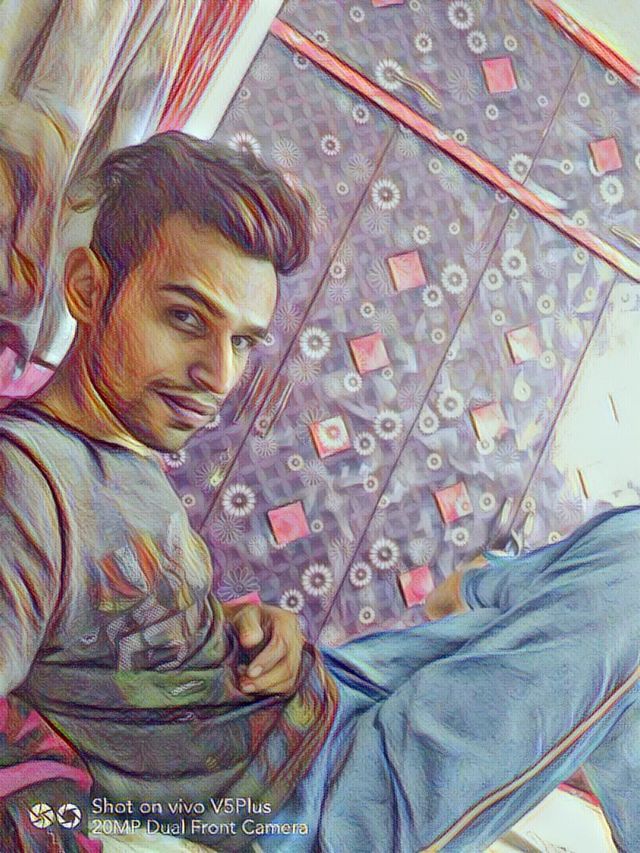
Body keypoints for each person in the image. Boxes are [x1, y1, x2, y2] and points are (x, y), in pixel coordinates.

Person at [0, 132, 638, 853]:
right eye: (186, 318)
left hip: (330, 701)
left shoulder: (114, 456)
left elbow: (114, 634)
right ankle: (493, 590)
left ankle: (495, 591)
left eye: (243, 341)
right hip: (325, 804)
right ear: (88, 289)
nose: (218, 374)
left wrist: (243, 625)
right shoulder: (26, 485)